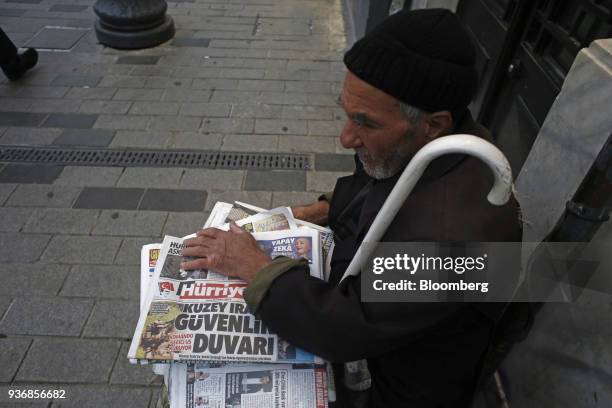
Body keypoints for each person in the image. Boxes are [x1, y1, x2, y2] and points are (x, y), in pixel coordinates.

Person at [182, 9, 522, 408]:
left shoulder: (453, 237)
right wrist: (320, 210)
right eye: (346, 113)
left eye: (366, 123)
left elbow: (343, 328)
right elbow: (375, 185)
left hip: (393, 387)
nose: (345, 138)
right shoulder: (432, 141)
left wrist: (258, 271)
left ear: (433, 124)